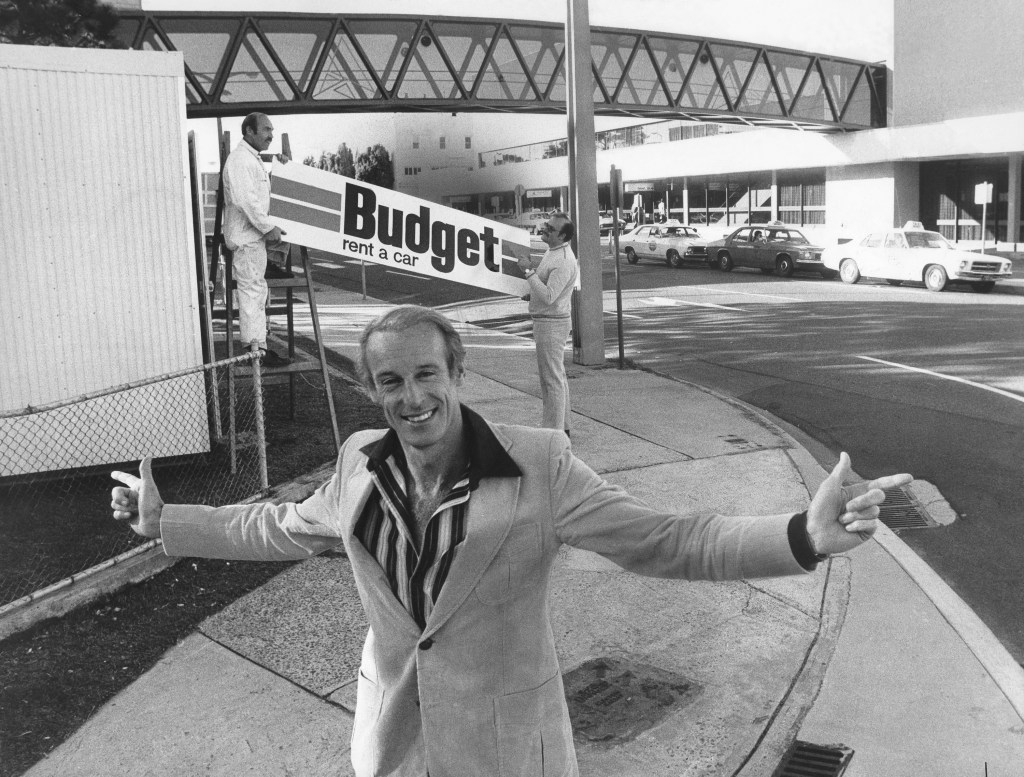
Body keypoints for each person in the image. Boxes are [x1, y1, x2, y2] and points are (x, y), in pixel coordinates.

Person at [111, 304, 911, 777]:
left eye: (427, 373)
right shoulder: (358, 463)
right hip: (396, 736)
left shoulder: (540, 463)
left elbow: (666, 539)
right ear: (371, 390)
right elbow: (279, 525)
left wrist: (799, 538)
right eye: (390, 381)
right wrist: (168, 521)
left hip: (508, 747)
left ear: (456, 371)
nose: (412, 396)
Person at [221, 111, 290, 368]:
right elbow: (245, 200)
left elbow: (260, 196)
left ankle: (259, 347)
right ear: (249, 131)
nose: (271, 135)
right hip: (247, 239)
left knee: (257, 291)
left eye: (272, 130)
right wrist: (266, 226)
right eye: (266, 130)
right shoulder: (241, 160)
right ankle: (255, 351)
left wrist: (283, 168)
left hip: (253, 240)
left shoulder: (252, 160)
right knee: (251, 291)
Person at [517, 212, 579, 436]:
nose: (544, 229)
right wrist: (531, 293)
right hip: (549, 321)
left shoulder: (562, 260)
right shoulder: (553, 253)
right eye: (546, 225)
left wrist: (527, 271)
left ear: (562, 236)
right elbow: (546, 289)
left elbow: (550, 296)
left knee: (551, 380)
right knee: (556, 377)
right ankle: (562, 428)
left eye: (550, 229)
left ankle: (553, 434)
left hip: (552, 325)